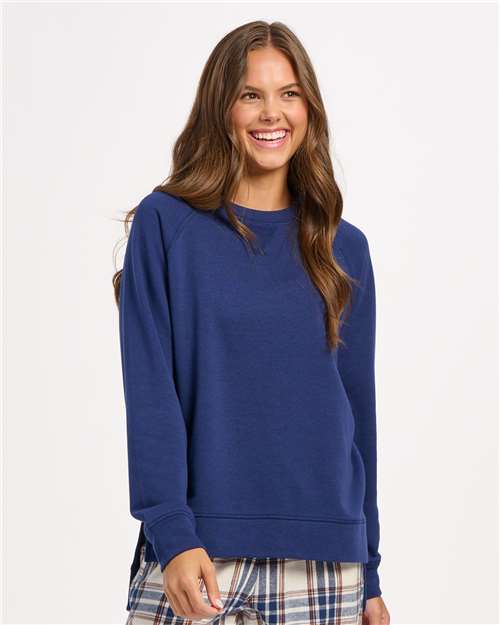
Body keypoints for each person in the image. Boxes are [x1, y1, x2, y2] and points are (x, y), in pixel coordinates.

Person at [113, 20, 390, 625]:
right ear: (222, 108)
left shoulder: (345, 248)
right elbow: (151, 391)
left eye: (289, 93)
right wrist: (171, 532)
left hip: (325, 560)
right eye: (250, 94)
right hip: (199, 551)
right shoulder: (167, 226)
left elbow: (357, 413)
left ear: (308, 108)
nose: (272, 113)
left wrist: (368, 571)